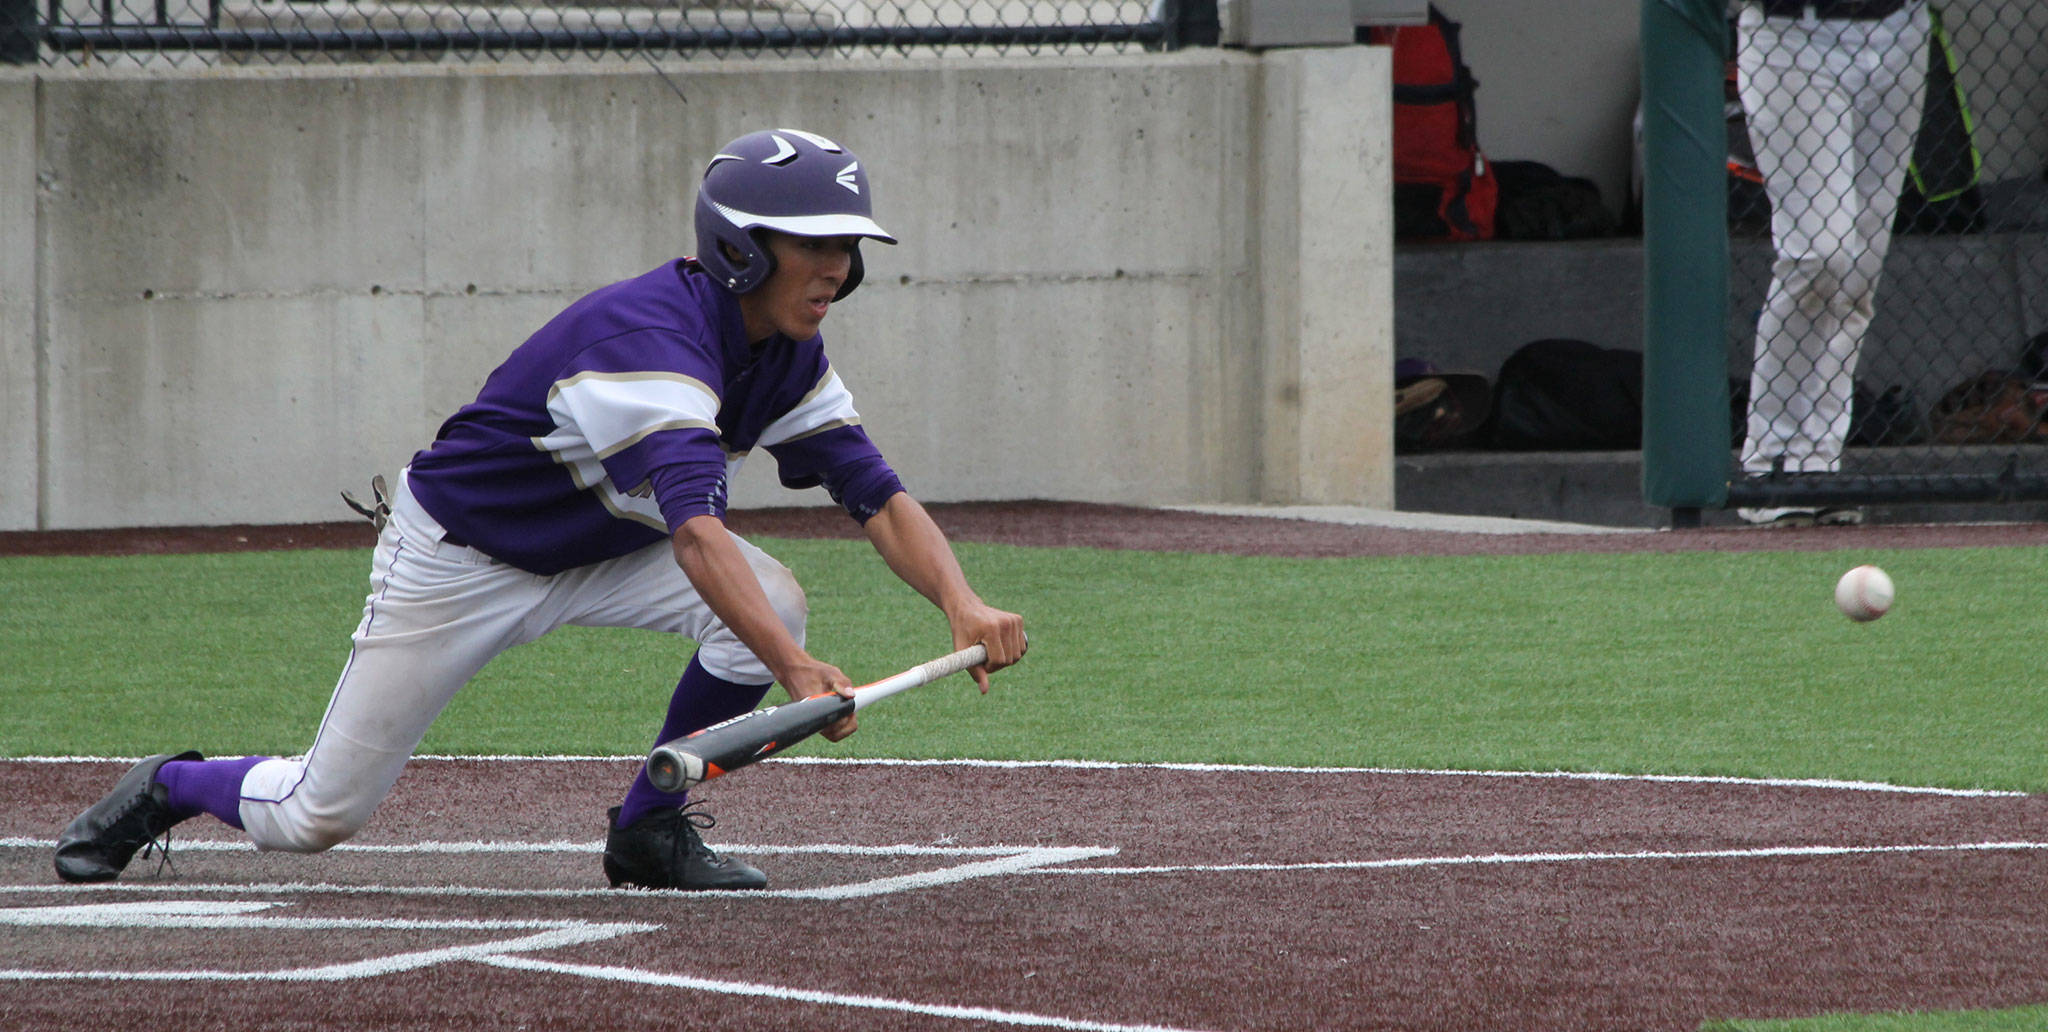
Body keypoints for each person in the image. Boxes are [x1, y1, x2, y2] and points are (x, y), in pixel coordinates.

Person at [52, 128, 1028, 891]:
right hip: (460, 561)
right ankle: (171, 785)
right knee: (318, 815)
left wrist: (960, 602)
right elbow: (694, 534)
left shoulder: (787, 351)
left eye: (846, 247)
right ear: (737, 249)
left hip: (595, 548)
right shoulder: (650, 341)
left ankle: (646, 828)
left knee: (774, 601)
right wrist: (793, 674)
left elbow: (875, 493)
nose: (837, 268)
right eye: (812, 244)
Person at [1734, 0, 1931, 526]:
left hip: (1899, 32)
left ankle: (1817, 460)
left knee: (1859, 270)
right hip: (1792, 34)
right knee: (1819, 253)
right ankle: (1770, 461)